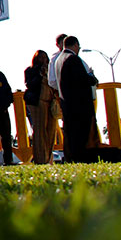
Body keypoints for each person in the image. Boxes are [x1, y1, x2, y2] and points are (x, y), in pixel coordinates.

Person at [56, 35, 97, 163]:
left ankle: (71, 158)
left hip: (66, 102)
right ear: (75, 45)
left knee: (69, 134)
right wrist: (91, 77)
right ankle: (81, 158)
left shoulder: (58, 60)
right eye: (78, 46)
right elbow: (82, 80)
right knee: (80, 134)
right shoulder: (73, 59)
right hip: (79, 104)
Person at [24, 51, 58, 164]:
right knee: (40, 131)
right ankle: (40, 159)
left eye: (45, 57)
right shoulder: (31, 71)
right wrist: (40, 74)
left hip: (51, 102)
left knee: (51, 131)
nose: (43, 60)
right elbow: (30, 84)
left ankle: (49, 157)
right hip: (37, 102)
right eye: (41, 58)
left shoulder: (51, 71)